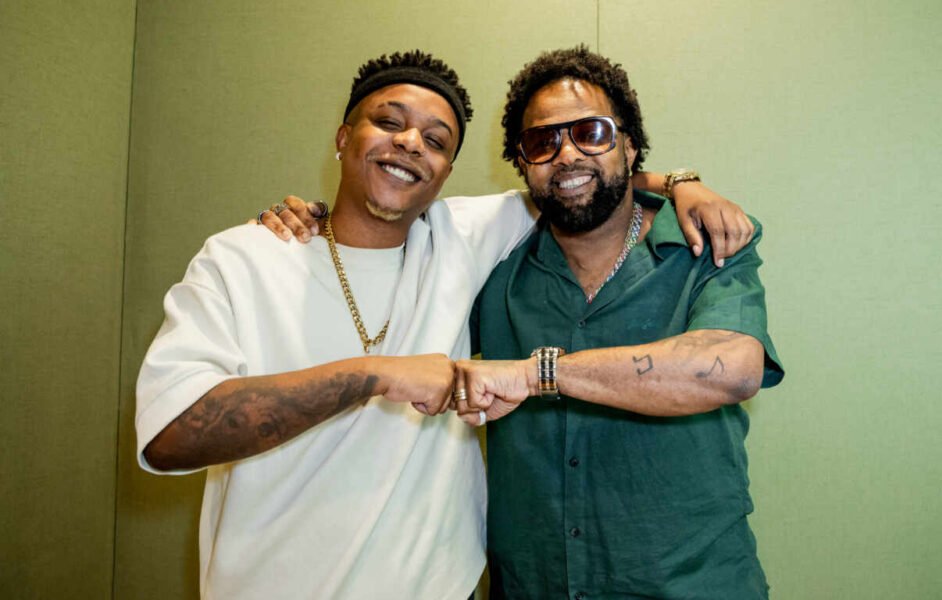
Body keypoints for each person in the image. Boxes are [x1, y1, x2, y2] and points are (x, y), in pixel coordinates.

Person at [138, 50, 753, 599]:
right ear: (343, 137)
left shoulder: (464, 239)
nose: (411, 143)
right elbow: (168, 436)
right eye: (389, 122)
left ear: (446, 172)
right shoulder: (243, 259)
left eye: (436, 140)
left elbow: (581, 181)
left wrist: (681, 183)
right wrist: (377, 374)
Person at [448, 46, 786, 599]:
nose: (567, 154)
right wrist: (314, 230)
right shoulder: (494, 269)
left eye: (591, 133)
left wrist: (538, 374)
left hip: (692, 587)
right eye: (543, 142)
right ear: (522, 163)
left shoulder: (709, 244)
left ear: (629, 145)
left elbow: (734, 369)